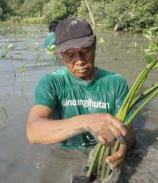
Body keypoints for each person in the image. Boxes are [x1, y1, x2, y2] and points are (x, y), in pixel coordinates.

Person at [26, 16, 135, 168]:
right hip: (66, 158)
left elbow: (129, 133)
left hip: (104, 155)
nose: (79, 60)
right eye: (69, 55)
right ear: (60, 54)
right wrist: (86, 121)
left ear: (94, 44)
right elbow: (33, 131)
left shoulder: (116, 82)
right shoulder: (51, 83)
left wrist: (124, 145)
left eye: (85, 51)